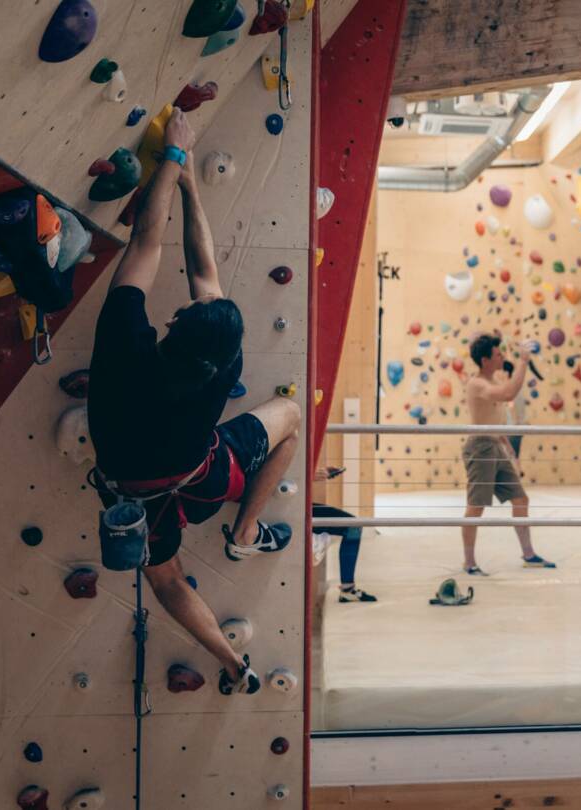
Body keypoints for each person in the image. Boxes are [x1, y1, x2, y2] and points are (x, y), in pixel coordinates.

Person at [87, 109, 301, 695]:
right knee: (290, 420)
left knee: (168, 580)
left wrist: (178, 163)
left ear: (176, 322)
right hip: (199, 482)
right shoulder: (219, 366)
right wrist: (185, 183)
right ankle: (244, 534)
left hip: (162, 492)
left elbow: (147, 239)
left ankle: (236, 659)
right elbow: (204, 271)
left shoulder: (128, 340)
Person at [461, 333, 554, 575]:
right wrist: (523, 361)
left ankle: (529, 554)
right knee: (475, 506)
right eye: (497, 354)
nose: (502, 356)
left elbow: (491, 415)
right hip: (480, 447)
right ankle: (469, 563)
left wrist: (505, 442)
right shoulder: (477, 384)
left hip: (495, 445)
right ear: (485, 360)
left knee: (521, 499)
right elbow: (507, 395)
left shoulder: (491, 381)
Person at [311, 468, 378, 603]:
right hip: (292, 506)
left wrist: (314, 474)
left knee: (353, 525)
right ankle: (347, 589)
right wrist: (310, 475)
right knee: (352, 525)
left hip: (301, 504)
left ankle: (347, 589)